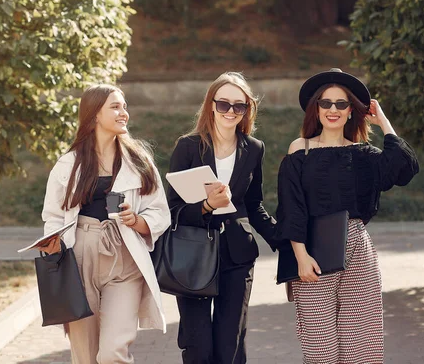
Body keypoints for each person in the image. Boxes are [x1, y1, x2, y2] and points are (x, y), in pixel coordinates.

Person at [276, 68, 419, 364]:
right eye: (326, 102)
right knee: (321, 350)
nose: (333, 110)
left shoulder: (364, 154)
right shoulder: (299, 149)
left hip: (357, 249)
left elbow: (403, 168)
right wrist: (300, 256)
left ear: (351, 110)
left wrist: (383, 122)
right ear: (316, 108)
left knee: (361, 346)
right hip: (313, 253)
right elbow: (291, 205)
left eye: (341, 104)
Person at [39, 84, 171, 364]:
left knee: (113, 353)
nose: (124, 112)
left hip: (124, 258)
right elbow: (52, 214)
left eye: (124, 106)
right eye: (115, 106)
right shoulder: (69, 163)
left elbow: (160, 211)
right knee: (85, 355)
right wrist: (54, 243)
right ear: (94, 114)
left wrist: (138, 220)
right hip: (78, 257)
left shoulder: (139, 161)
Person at [167, 72, 278, 364]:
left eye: (238, 106)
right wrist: (206, 206)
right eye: (223, 104)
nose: (230, 111)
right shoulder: (188, 147)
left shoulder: (254, 149)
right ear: (210, 106)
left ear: (247, 110)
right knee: (198, 345)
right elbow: (172, 209)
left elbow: (254, 205)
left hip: (237, 255)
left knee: (230, 343)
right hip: (194, 256)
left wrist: (288, 240)